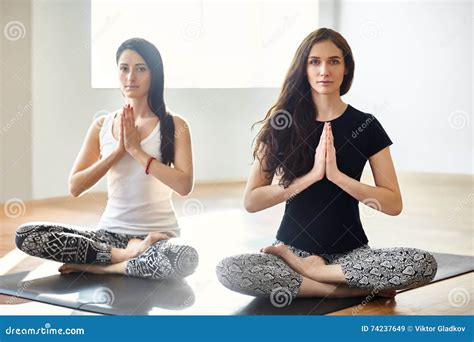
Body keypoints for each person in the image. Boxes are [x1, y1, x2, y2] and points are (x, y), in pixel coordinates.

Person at [216, 28, 437, 302]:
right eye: (315, 62)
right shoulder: (281, 123)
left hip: (352, 256)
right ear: (304, 69)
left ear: (346, 69)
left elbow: (393, 203)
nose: (324, 70)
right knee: (229, 270)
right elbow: (251, 201)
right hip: (291, 251)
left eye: (334, 61)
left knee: (423, 263)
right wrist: (310, 177)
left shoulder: (366, 125)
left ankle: (319, 276)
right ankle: (344, 288)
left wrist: (337, 176)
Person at [16, 38, 198, 280]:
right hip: (108, 237)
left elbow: (184, 185)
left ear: (154, 74)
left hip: (156, 236)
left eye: (140, 69)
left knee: (185, 259)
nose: (130, 77)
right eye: (124, 68)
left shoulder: (175, 125)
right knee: (26, 235)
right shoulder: (102, 125)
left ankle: (101, 266)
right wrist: (117, 152)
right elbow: (75, 187)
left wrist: (136, 151)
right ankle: (122, 257)